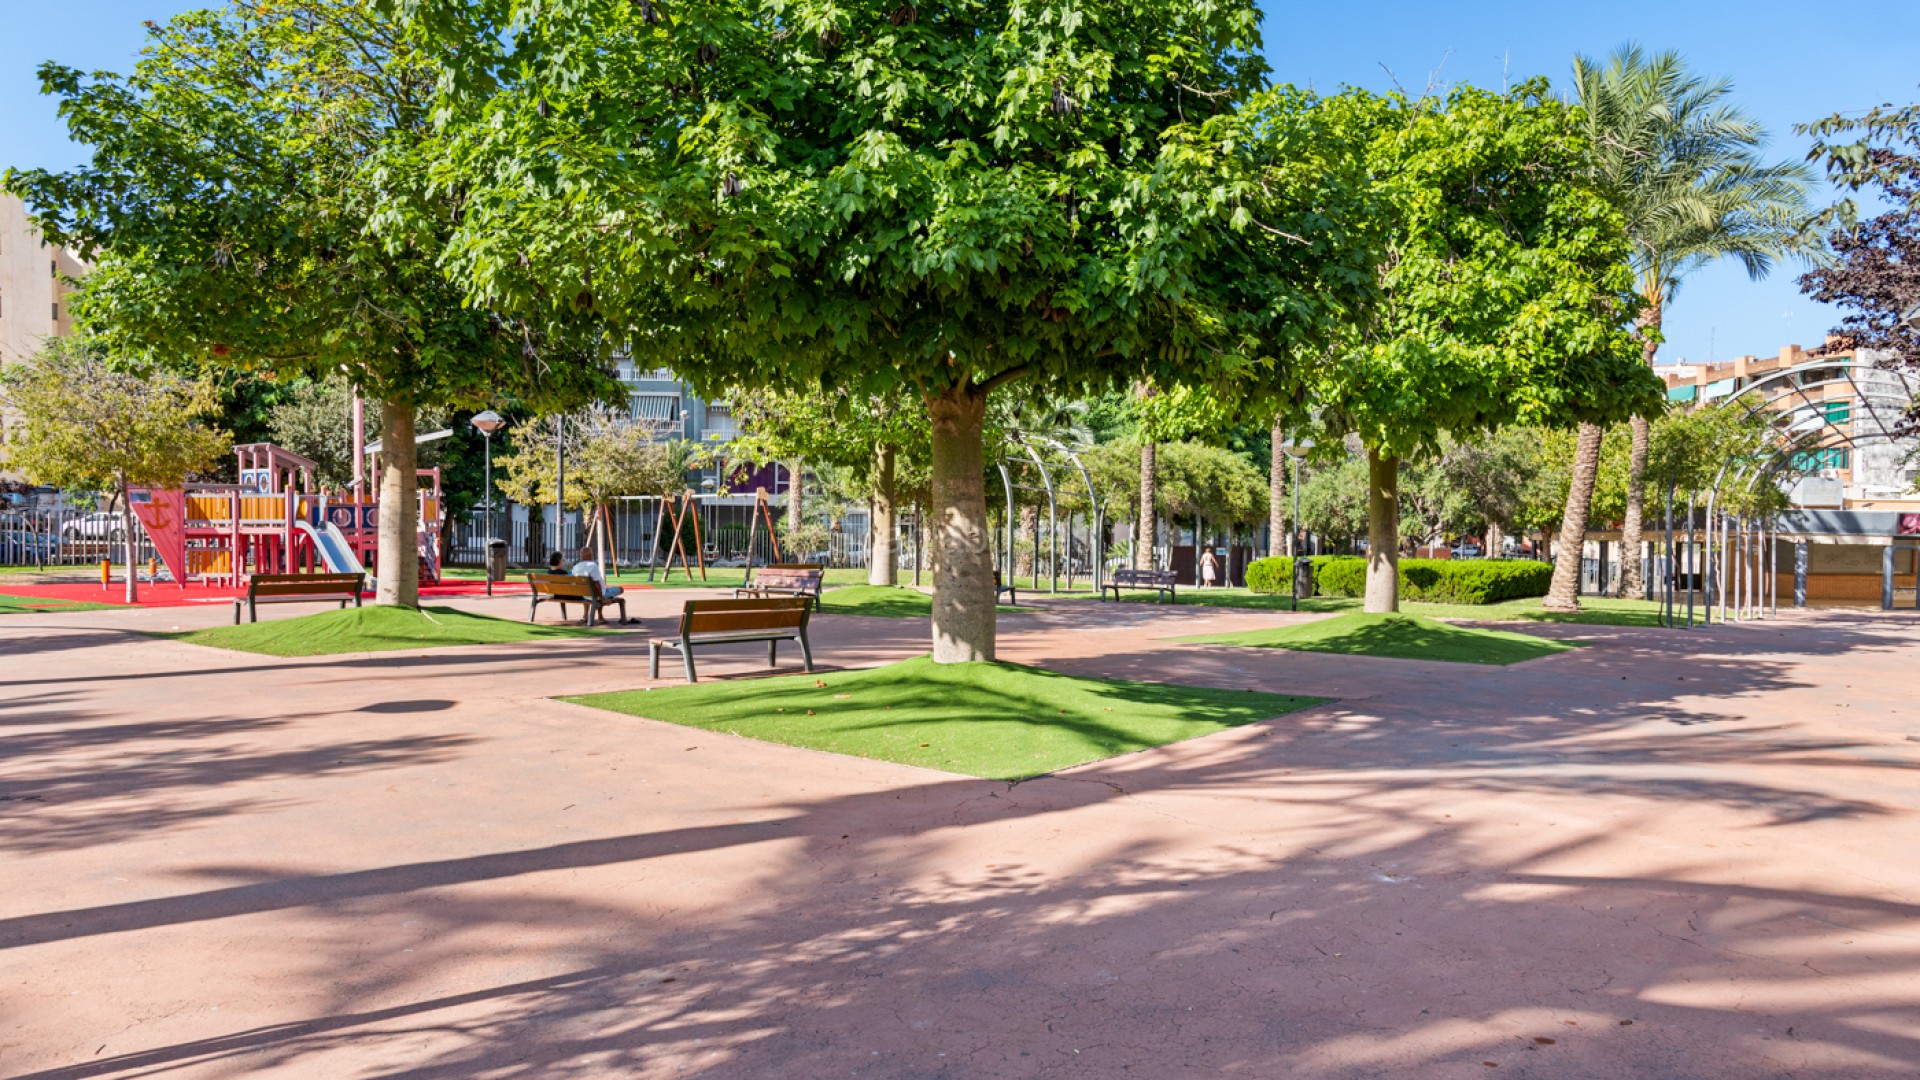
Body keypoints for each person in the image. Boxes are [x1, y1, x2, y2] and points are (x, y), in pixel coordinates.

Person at [569, 545, 633, 624]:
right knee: (620, 589)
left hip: (584, 594)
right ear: (591, 556)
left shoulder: (576, 567)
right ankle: (600, 616)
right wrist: (603, 598)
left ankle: (585, 615)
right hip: (598, 594)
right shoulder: (593, 566)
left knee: (591, 592)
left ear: (581, 556)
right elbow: (597, 584)